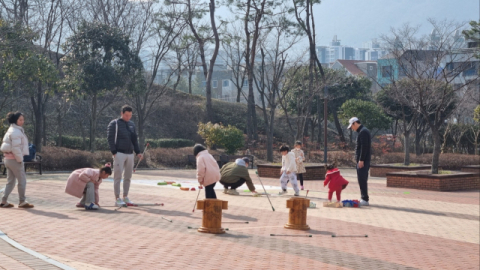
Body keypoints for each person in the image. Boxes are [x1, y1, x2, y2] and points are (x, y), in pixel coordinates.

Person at [107, 105, 143, 206]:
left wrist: (138, 152)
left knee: (128, 176)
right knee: (118, 176)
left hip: (130, 154)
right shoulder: (114, 123)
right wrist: (114, 152)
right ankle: (117, 198)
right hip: (119, 153)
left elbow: (134, 140)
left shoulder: (132, 124)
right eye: (126, 115)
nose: (128, 117)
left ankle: (125, 196)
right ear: (121, 113)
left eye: (130, 115)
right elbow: (110, 139)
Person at [0, 112, 34, 208]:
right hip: (15, 159)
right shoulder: (16, 132)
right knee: (22, 180)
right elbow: (16, 148)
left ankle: (4, 201)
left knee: (10, 181)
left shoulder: (11, 130)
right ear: (16, 120)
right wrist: (20, 160)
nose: (22, 121)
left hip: (7, 159)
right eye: (20, 120)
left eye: (23, 119)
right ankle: (22, 201)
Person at [348, 117, 371, 206]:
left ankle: (364, 199)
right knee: (361, 179)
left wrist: (361, 160)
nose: (352, 129)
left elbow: (364, 147)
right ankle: (363, 197)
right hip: (363, 160)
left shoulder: (363, 132)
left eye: (352, 126)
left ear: (355, 123)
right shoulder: (362, 131)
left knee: (362, 179)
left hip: (363, 161)